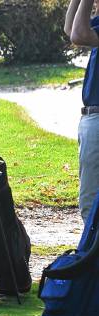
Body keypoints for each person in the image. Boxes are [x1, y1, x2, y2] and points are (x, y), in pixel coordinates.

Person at [66, 0, 99, 223]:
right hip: (92, 118)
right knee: (89, 201)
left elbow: (78, 34)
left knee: (90, 201)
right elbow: (70, 30)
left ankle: (90, 254)